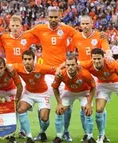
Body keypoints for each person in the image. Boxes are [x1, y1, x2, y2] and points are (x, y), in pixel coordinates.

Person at [28, 6, 77, 141]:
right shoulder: (40, 29)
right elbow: (24, 36)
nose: (53, 19)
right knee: (43, 104)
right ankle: (42, 131)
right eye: (51, 17)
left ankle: (65, 131)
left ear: (60, 17)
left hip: (63, 72)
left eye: (56, 17)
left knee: (66, 105)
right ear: (47, 17)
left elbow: (80, 36)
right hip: (47, 74)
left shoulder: (66, 29)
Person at [65, 15, 112, 142]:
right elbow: (68, 50)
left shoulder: (99, 36)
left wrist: (109, 56)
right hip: (82, 74)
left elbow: (106, 49)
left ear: (92, 23)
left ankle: (102, 134)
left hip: (97, 75)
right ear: (80, 25)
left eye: (87, 23)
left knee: (100, 106)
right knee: (84, 105)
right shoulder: (76, 36)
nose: (85, 26)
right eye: (83, 24)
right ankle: (87, 133)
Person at [80, 48, 118, 143]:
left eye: (99, 58)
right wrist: (59, 69)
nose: (96, 61)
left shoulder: (111, 63)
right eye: (94, 59)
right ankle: (101, 135)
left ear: (103, 58)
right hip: (103, 85)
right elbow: (75, 63)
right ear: (91, 59)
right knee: (99, 109)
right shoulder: (88, 64)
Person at [12, 50, 56, 143]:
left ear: (34, 59)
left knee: (44, 118)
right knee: (20, 109)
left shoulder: (41, 67)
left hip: (43, 94)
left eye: (29, 59)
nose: (27, 61)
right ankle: (29, 137)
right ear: (22, 60)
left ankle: (42, 132)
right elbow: (6, 67)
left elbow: (56, 70)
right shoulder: (18, 67)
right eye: (25, 59)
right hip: (29, 93)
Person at [52, 56, 96, 143]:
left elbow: (93, 87)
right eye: (68, 65)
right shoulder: (61, 73)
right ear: (65, 65)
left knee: (88, 111)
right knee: (59, 111)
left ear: (77, 65)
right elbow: (55, 88)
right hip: (69, 92)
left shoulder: (84, 73)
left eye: (73, 64)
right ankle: (58, 136)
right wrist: (59, 103)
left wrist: (89, 103)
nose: (70, 67)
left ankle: (90, 137)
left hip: (84, 92)